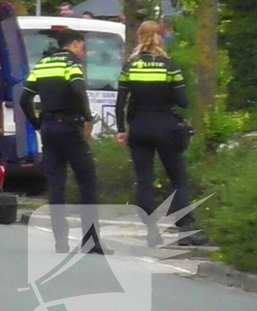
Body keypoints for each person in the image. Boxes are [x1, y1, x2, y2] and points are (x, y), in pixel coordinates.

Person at [116, 21, 207, 247]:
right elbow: (183, 101)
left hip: (138, 127)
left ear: (139, 38)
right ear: (160, 38)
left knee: (144, 179)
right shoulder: (169, 66)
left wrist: (121, 130)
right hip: (165, 126)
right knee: (177, 177)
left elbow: (120, 104)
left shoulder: (130, 67)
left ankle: (151, 231)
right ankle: (184, 229)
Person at [19, 29, 106, 254]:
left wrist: (37, 123)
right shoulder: (72, 64)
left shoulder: (43, 65)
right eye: (82, 46)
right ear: (75, 43)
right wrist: (87, 118)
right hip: (70, 128)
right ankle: (90, 240)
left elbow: (24, 98)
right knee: (87, 182)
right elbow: (78, 89)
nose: (83, 51)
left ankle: (61, 241)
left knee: (56, 185)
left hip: (48, 128)